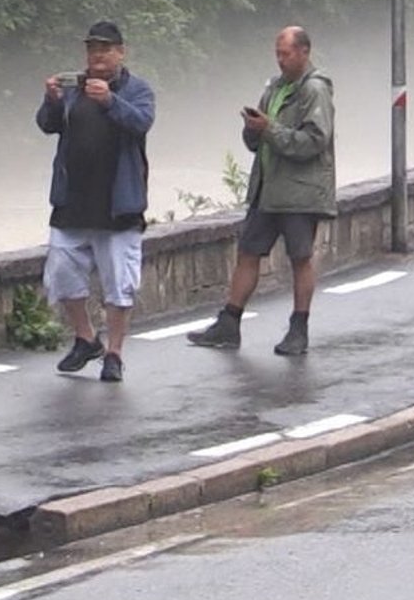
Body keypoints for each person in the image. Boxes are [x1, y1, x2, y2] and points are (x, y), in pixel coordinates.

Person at [187, 24, 336, 356]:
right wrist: (253, 130)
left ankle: (299, 328)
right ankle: (229, 323)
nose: (280, 60)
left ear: (304, 52)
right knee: (248, 252)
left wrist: (270, 130)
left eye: (286, 54)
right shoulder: (274, 88)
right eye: (277, 54)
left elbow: (314, 141)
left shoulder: (315, 90)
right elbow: (258, 141)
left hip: (299, 193)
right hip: (267, 189)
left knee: (300, 258)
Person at [37, 19, 156, 383]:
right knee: (60, 273)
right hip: (72, 202)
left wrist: (110, 101)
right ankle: (86, 338)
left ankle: (115, 354)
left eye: (105, 49)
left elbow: (141, 123)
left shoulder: (138, 90)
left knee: (119, 283)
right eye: (92, 49)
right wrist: (52, 100)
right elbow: (46, 124)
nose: (97, 56)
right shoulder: (74, 87)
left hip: (118, 204)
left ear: (121, 52)